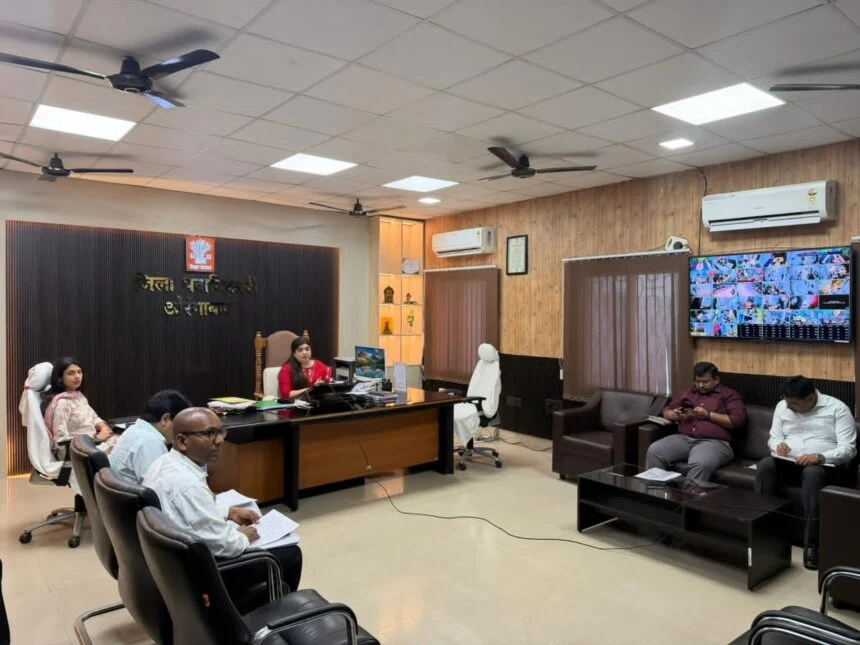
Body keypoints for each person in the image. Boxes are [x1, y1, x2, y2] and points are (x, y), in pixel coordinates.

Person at [143, 408, 302, 593]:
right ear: (182, 441)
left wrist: (229, 512)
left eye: (220, 432)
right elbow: (226, 546)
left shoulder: (163, 463)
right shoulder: (188, 485)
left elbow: (186, 514)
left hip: (171, 565)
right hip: (199, 576)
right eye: (209, 434)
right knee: (291, 553)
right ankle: (273, 607)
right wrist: (243, 536)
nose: (219, 440)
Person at [754, 376, 856, 570]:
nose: (789, 407)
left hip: (823, 466)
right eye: (787, 402)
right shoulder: (783, 406)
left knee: (812, 474)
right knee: (766, 465)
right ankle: (765, 535)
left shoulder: (837, 409)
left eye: (794, 404)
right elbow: (774, 438)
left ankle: (812, 545)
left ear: (811, 398)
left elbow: (849, 449)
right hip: (789, 462)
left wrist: (820, 457)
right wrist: (778, 446)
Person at [646, 362, 747, 483]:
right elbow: (667, 409)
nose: (700, 385)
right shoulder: (688, 393)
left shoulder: (729, 395)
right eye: (697, 381)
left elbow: (736, 421)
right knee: (655, 450)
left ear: (716, 380)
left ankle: (688, 495)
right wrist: (671, 414)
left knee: (700, 462)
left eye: (705, 382)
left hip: (714, 442)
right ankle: (655, 491)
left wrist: (708, 415)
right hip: (684, 439)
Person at [109, 389, 192, 484]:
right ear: (165, 419)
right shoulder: (150, 442)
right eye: (181, 425)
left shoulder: (135, 430)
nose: (181, 432)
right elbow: (158, 487)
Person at [41, 357, 113, 457]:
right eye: (71, 373)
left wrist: (103, 427)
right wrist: (97, 439)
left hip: (93, 444)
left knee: (126, 439)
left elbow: (93, 417)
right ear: (60, 378)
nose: (77, 376)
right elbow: (61, 440)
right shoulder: (62, 403)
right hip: (77, 452)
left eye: (79, 372)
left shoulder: (79, 396)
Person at [278, 336, 331, 400]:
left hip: (317, 402)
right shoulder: (286, 369)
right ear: (294, 354)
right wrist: (311, 389)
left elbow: (328, 388)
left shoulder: (320, 365)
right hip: (295, 404)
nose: (304, 352)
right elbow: (286, 394)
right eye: (300, 350)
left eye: (307, 349)